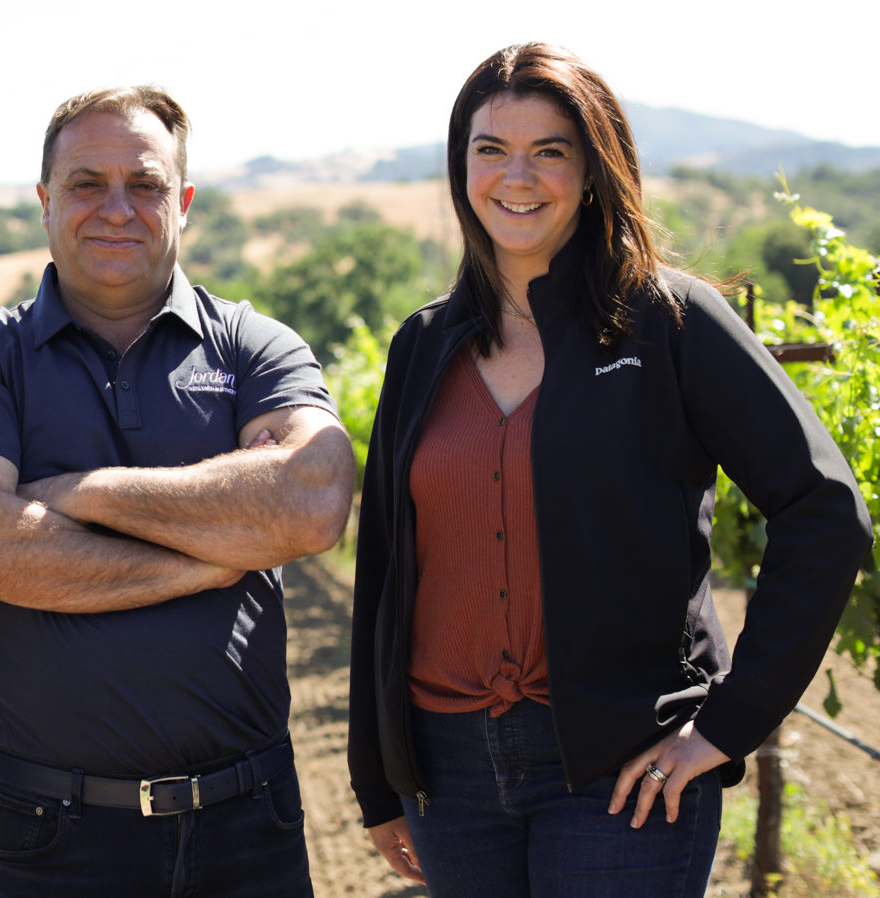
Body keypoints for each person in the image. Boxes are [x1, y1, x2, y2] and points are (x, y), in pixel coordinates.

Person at [349, 42, 873, 897]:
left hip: (623, 769)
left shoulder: (670, 324)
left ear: (593, 169)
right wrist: (378, 778)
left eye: (550, 150)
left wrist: (726, 725)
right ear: (461, 167)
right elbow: (386, 569)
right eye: (491, 149)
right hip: (447, 774)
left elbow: (824, 507)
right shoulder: (422, 345)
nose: (517, 176)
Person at [0, 86, 356, 897]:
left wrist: (78, 492)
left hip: (247, 824)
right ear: (45, 203)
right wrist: (211, 555)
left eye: (145, 185)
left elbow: (312, 501)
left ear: (182, 203)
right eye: (86, 183)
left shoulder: (254, 346)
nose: (117, 208)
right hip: (49, 836)